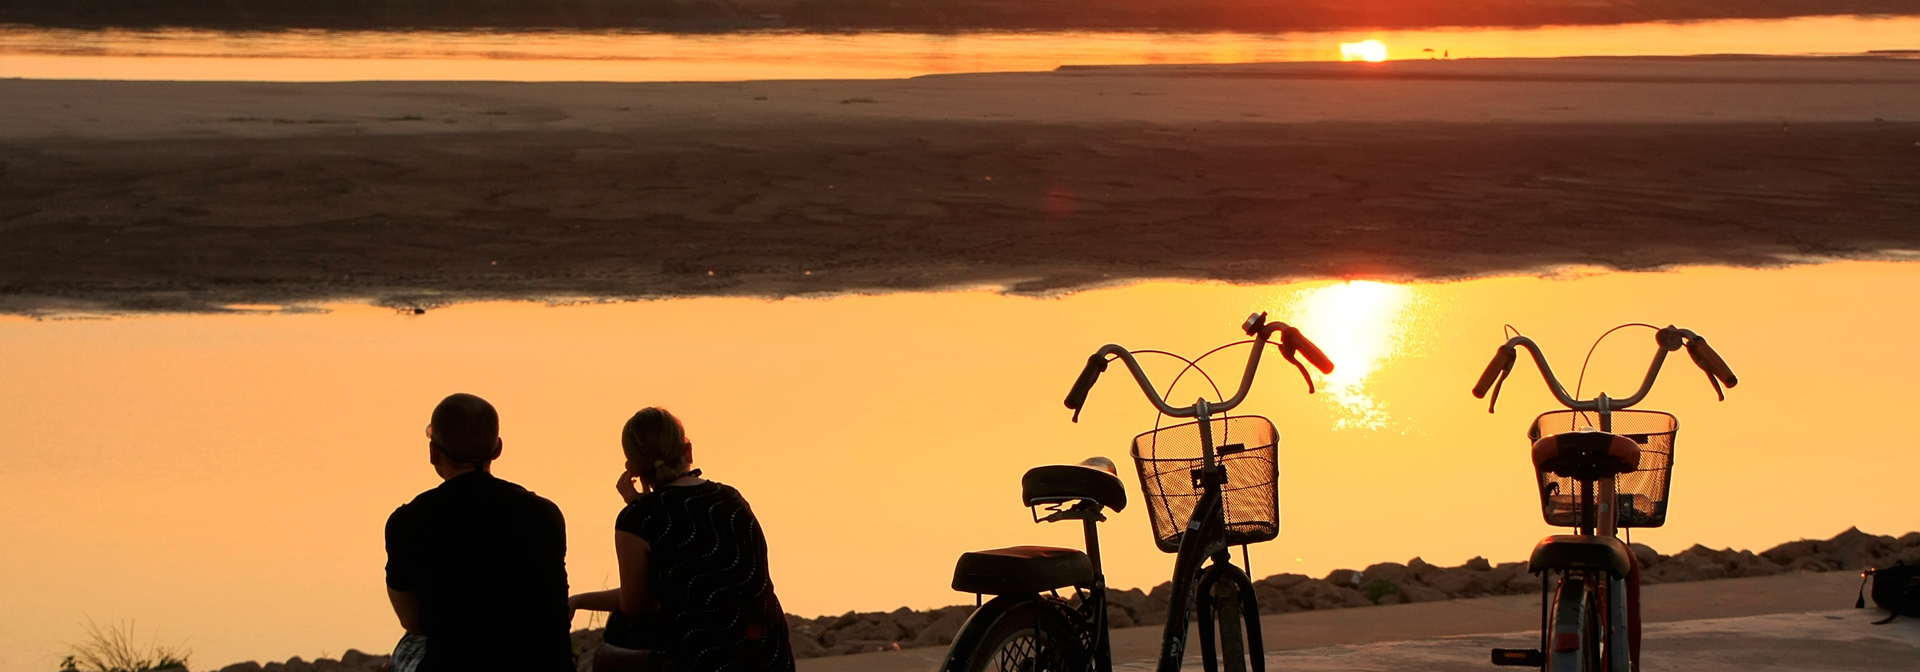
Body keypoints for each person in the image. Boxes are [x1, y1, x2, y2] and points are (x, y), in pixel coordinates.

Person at [568, 407, 795, 672]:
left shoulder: (638, 520)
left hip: (701, 659)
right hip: (768, 656)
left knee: (623, 628)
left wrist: (577, 601)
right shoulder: (731, 498)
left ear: (632, 469)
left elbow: (636, 606)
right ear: (688, 451)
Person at [385, 393, 574, 672]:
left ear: (434, 453)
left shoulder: (409, 521)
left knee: (405, 651)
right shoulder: (544, 514)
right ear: (497, 449)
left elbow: (412, 621)